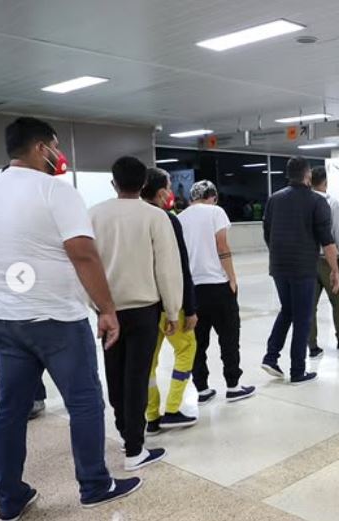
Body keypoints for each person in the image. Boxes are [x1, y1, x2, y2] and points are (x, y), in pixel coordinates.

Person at [0, 117, 142, 520]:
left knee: (9, 407)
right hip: (58, 319)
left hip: (5, 320)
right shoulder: (55, 191)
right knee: (84, 401)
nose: (60, 155)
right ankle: (95, 485)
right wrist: (107, 310)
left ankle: (8, 496)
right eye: (56, 146)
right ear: (41, 148)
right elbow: (83, 253)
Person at [89, 156, 183, 471]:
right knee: (137, 376)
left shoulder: (94, 216)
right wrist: (172, 310)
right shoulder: (155, 217)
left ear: (113, 183)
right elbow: (168, 269)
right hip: (144, 310)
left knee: (114, 375)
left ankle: (123, 430)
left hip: (108, 312)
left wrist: (96, 306)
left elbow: (85, 265)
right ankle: (134, 449)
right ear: (144, 184)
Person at [261, 157, 339, 384]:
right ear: (307, 176)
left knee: (287, 310)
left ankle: (271, 356)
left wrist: (278, 254)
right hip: (303, 266)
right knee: (303, 317)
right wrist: (335, 269)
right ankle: (298, 370)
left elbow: (267, 233)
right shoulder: (316, 201)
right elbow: (327, 240)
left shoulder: (274, 199)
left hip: (278, 265)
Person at [178, 180, 255, 403]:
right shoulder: (216, 211)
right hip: (217, 285)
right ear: (212, 196)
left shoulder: (180, 218)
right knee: (229, 337)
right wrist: (232, 278)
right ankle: (233, 386)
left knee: (198, 342)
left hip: (193, 289)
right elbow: (222, 245)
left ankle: (201, 389)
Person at [141, 168, 199, 433]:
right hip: (168, 303)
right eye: (169, 186)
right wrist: (190, 307)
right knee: (186, 349)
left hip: (141, 305)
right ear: (162, 190)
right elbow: (179, 267)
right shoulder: (167, 219)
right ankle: (173, 408)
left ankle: (150, 415)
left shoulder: (133, 217)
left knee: (148, 361)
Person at [308, 166, 339, 358]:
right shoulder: (332, 203)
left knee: (310, 305)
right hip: (329, 260)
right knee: (338, 301)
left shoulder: (304, 202)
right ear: (325, 183)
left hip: (309, 259)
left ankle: (312, 346)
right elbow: (338, 234)